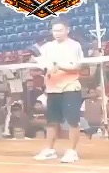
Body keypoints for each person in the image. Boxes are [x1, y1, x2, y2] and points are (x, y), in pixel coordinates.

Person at [33, 17, 84, 163]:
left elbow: (77, 66)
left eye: (60, 30)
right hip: (52, 89)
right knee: (52, 121)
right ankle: (50, 150)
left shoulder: (74, 46)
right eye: (55, 30)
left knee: (73, 120)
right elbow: (41, 63)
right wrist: (43, 66)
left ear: (67, 30)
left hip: (70, 87)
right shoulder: (47, 47)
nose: (57, 33)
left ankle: (72, 151)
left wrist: (59, 66)